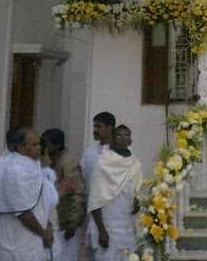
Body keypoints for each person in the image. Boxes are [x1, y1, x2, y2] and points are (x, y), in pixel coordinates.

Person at [0, 128, 54, 261]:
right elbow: (23, 213)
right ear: (21, 148)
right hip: (14, 243)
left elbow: (42, 202)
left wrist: (48, 225)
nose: (39, 147)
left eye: (39, 143)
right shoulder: (14, 170)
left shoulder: (32, 166)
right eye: (34, 144)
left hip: (31, 243)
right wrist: (43, 234)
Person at [87, 125, 143, 261]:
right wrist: (102, 231)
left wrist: (137, 202)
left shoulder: (134, 164)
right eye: (119, 135)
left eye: (127, 135)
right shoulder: (103, 163)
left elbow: (136, 191)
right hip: (107, 226)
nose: (123, 138)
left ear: (130, 140)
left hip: (126, 224)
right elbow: (94, 200)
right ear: (112, 139)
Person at [41, 129, 85, 261]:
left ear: (56, 145)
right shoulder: (52, 160)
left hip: (67, 224)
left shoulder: (68, 161)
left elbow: (77, 193)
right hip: (58, 222)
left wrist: (72, 223)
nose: (42, 146)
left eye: (46, 143)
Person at [81, 112, 115, 189]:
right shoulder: (89, 152)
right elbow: (82, 178)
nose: (95, 130)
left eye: (98, 126)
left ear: (109, 128)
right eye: (94, 126)